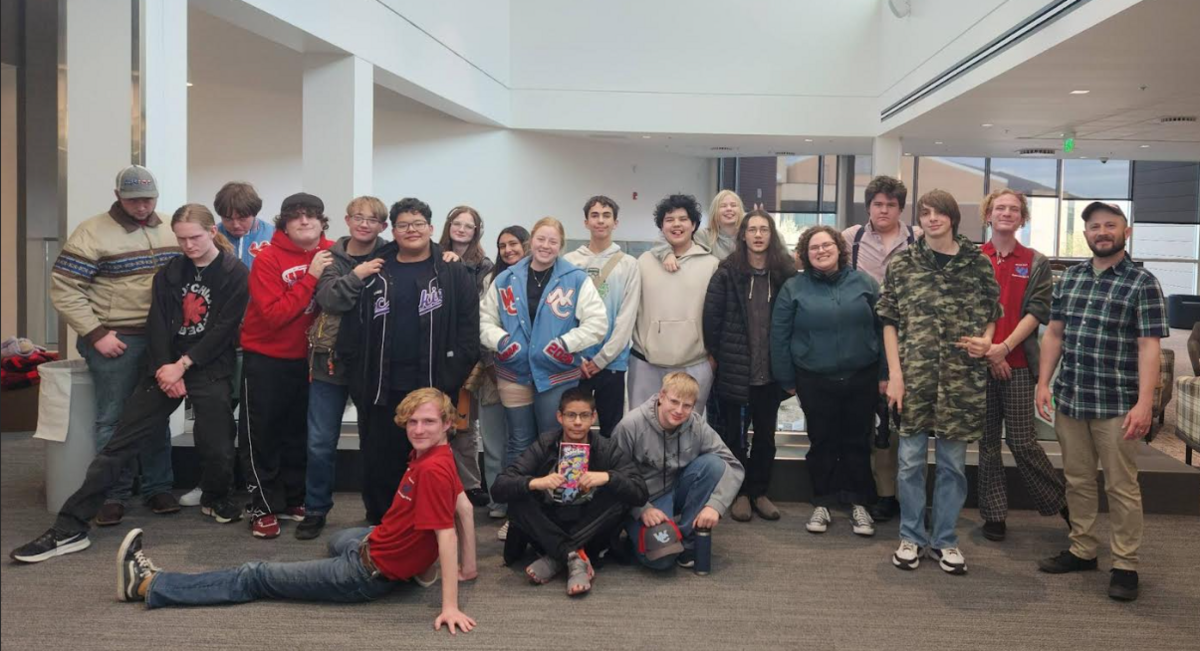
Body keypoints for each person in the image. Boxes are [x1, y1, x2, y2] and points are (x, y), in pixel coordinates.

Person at [112, 389, 478, 636]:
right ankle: (412, 569)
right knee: (340, 540)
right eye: (413, 422)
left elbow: (445, 535)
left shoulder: (432, 470)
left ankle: (150, 584)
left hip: (366, 574)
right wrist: (470, 568)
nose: (418, 429)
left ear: (448, 424)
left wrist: (450, 605)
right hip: (376, 544)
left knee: (256, 575)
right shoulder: (436, 454)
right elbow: (463, 506)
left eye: (428, 422)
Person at [12, 204, 250, 563]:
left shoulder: (235, 273)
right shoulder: (171, 272)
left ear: (212, 232)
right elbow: (157, 325)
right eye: (181, 239)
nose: (188, 245)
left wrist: (183, 366)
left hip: (208, 366)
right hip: (165, 368)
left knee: (217, 445)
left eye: (195, 238)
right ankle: (70, 526)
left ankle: (216, 497)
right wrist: (165, 369)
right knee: (119, 444)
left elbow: (223, 330)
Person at [1034, 201, 1168, 602]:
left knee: (1121, 485)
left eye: (1110, 225)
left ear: (1126, 232)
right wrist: (1043, 383)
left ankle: (1125, 564)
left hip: (1117, 403)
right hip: (1072, 398)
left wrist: (1145, 403)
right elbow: (1054, 334)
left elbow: (1149, 347)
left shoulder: (1142, 283)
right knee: (1077, 479)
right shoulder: (1071, 278)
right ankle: (1083, 549)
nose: (1102, 232)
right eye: (1094, 227)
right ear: (1086, 235)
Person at [48, 165, 181, 527]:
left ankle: (157, 488)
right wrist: (96, 334)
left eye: (148, 199)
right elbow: (65, 288)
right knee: (113, 417)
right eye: (134, 200)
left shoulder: (171, 228)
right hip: (115, 339)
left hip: (161, 340)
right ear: (118, 197)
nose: (142, 206)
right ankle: (112, 494)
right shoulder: (91, 232)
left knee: (155, 415)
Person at [877, 189, 1000, 575]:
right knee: (909, 462)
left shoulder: (977, 264)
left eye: (939, 212)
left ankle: (945, 540)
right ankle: (911, 537)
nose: (932, 219)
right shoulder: (903, 263)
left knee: (952, 466)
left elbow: (992, 312)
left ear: (953, 217)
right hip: (914, 378)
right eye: (925, 213)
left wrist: (987, 340)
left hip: (960, 379)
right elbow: (889, 321)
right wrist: (895, 375)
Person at [339, 198, 480, 527]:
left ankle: (428, 527)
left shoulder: (451, 271)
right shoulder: (375, 270)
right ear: (393, 230)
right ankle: (381, 527)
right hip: (380, 388)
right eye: (403, 225)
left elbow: (468, 332)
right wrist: (357, 380)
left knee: (429, 463)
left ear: (431, 228)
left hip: (432, 386)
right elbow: (351, 329)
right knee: (379, 462)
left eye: (418, 224)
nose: (411, 230)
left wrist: (448, 379)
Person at [480, 217, 608, 540]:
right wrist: (501, 341)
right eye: (541, 239)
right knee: (518, 443)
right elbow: (484, 320)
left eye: (553, 241)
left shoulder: (576, 278)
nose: (546, 246)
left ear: (560, 245)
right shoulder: (505, 278)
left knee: (556, 441)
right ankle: (519, 515)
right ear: (531, 242)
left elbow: (597, 323)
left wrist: (566, 343)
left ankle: (558, 510)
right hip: (514, 372)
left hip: (556, 374)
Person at [771, 225, 883, 536]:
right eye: (814, 247)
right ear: (805, 254)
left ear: (838, 248)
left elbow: (883, 330)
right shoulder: (793, 288)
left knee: (858, 441)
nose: (821, 251)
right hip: (814, 379)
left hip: (862, 377)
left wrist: (886, 374)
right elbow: (779, 336)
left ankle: (859, 503)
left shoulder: (865, 283)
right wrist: (786, 377)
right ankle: (822, 501)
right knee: (821, 441)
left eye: (827, 245)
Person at [239, 192, 334, 539]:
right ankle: (262, 506)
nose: (304, 221)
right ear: (284, 223)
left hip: (311, 360)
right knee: (262, 435)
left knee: (300, 433)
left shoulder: (334, 251)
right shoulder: (267, 259)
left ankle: (294, 497)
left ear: (322, 221)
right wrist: (311, 277)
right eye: (295, 216)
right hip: (267, 357)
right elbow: (275, 315)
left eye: (311, 215)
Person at [295, 196, 390, 540]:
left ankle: (377, 511)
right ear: (347, 220)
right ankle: (315, 509)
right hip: (330, 360)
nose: (364, 224)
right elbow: (330, 299)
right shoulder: (329, 257)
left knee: (375, 442)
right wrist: (359, 274)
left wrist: (449, 255)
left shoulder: (393, 256)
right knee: (320, 441)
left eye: (372, 219)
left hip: (375, 363)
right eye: (358, 217)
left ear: (383, 226)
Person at [492, 388, 648, 596]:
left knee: (620, 494)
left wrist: (607, 477)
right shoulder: (546, 443)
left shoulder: (606, 447)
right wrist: (537, 482)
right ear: (560, 417)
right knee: (519, 496)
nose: (577, 422)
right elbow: (499, 488)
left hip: (589, 526)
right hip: (549, 523)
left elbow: (640, 492)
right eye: (571, 415)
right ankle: (573, 556)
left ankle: (557, 558)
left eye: (584, 415)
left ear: (593, 417)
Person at [977, 189, 1067, 542]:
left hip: (1017, 364)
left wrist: (1004, 348)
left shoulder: (1035, 261)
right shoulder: (973, 259)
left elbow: (1037, 312)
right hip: (979, 365)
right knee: (987, 444)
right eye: (999, 208)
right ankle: (994, 514)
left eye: (1014, 209)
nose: (1006, 213)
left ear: (1022, 218)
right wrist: (990, 353)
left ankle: (1061, 502)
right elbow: (968, 311)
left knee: (1022, 441)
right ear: (988, 214)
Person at [703, 210, 795, 522]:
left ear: (772, 235)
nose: (758, 235)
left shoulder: (785, 274)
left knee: (766, 437)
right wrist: (717, 356)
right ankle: (739, 493)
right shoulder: (727, 272)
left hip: (771, 373)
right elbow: (712, 318)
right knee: (736, 437)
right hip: (736, 370)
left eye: (763, 229)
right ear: (742, 235)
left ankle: (759, 491)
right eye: (752, 229)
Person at [842, 175, 921, 524]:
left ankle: (912, 497)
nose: (884, 210)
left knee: (910, 422)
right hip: (864, 340)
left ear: (901, 208)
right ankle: (883, 494)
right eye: (878, 204)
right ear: (868, 207)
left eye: (891, 204)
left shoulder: (918, 238)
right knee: (877, 424)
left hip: (912, 340)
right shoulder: (851, 238)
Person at [613, 372, 744, 570]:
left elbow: (733, 465)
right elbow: (615, 476)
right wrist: (642, 509)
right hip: (641, 499)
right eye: (674, 401)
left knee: (714, 464)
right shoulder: (631, 425)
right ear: (661, 396)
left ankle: (687, 540)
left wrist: (715, 506)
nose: (679, 411)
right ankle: (641, 541)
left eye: (687, 406)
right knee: (662, 562)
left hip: (676, 489)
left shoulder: (696, 425)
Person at [628, 195, 720, 413]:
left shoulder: (711, 265)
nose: (676, 225)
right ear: (661, 226)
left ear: (694, 225)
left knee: (687, 426)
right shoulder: (643, 262)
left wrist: (712, 360)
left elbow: (719, 316)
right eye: (669, 220)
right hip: (645, 363)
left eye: (683, 219)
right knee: (642, 424)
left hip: (694, 364)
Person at [563, 195, 642, 438]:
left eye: (606, 216)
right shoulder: (569, 262)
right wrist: (577, 358)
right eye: (595, 215)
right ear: (585, 222)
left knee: (612, 430)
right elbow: (564, 316)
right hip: (576, 364)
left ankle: (607, 466)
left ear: (615, 222)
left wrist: (602, 359)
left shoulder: (629, 264)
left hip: (612, 363)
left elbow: (626, 318)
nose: (600, 221)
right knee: (573, 428)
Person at [465, 226, 530, 521]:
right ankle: (497, 500)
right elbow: (481, 325)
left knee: (523, 440)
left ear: (526, 245)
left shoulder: (541, 279)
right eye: (502, 245)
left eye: (513, 244)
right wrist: (491, 366)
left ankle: (522, 500)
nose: (508, 250)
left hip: (528, 374)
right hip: (493, 372)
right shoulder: (491, 279)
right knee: (493, 443)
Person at [213, 181, 274, 268]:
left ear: (254, 213)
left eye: (242, 219)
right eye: (228, 219)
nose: (236, 225)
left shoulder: (273, 236)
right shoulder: (212, 236)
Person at [438, 205, 494, 293]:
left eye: (469, 226)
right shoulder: (435, 257)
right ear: (449, 226)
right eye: (457, 224)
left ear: (476, 232)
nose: (461, 230)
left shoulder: (485, 266)